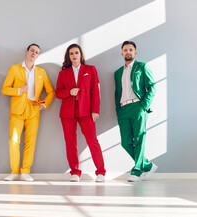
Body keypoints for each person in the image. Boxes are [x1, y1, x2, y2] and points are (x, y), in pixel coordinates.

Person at [2, 43, 55, 182]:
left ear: (38, 55)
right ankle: (14, 171)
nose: (34, 53)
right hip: (17, 109)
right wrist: (20, 90)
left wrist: (43, 105)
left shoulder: (41, 73)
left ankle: (25, 171)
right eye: (32, 50)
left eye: (37, 52)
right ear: (26, 51)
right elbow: (5, 89)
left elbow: (51, 92)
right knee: (13, 140)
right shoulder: (14, 69)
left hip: (33, 110)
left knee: (30, 142)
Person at [56, 44, 106, 182]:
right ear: (69, 56)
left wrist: (95, 110)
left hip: (86, 111)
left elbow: (96, 90)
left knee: (92, 141)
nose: (74, 55)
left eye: (76, 52)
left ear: (81, 54)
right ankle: (75, 172)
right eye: (71, 53)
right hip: (67, 112)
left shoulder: (90, 69)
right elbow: (58, 93)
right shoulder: (63, 73)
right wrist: (69, 92)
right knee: (70, 143)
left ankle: (101, 172)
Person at [114, 41, 157, 182]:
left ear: (135, 52)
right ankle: (148, 165)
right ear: (122, 53)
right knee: (125, 142)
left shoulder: (142, 67)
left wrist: (144, 105)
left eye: (131, 50)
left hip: (138, 107)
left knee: (139, 139)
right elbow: (117, 93)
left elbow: (152, 86)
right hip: (123, 109)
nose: (128, 52)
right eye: (125, 50)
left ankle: (137, 170)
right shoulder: (118, 72)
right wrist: (118, 110)